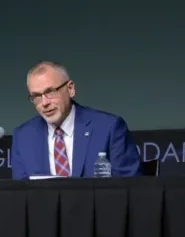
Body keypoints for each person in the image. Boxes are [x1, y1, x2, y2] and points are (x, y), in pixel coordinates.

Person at [11, 62, 142, 179]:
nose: (44, 103)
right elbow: (20, 195)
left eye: (50, 92)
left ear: (70, 89)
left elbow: (129, 187)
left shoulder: (109, 128)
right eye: (36, 96)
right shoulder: (23, 136)